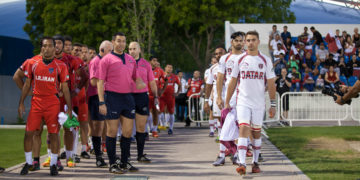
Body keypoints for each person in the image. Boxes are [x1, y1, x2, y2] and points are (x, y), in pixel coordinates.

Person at [18, 37, 72, 176]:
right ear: (41, 48)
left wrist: (70, 108)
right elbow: (27, 84)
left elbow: (65, 88)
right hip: (36, 102)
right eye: (44, 46)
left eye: (49, 46)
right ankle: (29, 162)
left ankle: (54, 164)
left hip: (52, 103)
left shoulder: (61, 66)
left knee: (54, 134)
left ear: (55, 48)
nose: (46, 48)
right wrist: (21, 102)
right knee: (29, 133)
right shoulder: (32, 62)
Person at [225, 31, 276, 175]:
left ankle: (255, 162)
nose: (250, 42)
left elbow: (272, 84)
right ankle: (241, 163)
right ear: (245, 42)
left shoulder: (265, 60)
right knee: (243, 129)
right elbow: (232, 82)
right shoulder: (239, 60)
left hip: (259, 103)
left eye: (253, 40)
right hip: (243, 102)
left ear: (258, 41)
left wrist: (273, 105)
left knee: (256, 132)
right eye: (248, 40)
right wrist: (227, 101)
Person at [97, 32, 144, 174]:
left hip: (128, 98)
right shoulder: (106, 60)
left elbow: (136, 79)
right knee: (111, 132)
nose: (121, 44)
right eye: (118, 41)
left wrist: (144, 85)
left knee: (128, 132)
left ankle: (125, 162)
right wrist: (101, 102)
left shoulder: (130, 59)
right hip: (112, 97)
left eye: (124, 41)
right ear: (113, 42)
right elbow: (100, 82)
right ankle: (112, 164)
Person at [211, 31, 246, 166]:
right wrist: (219, 96)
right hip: (228, 98)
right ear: (231, 42)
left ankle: (236, 155)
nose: (239, 43)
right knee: (223, 126)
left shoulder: (246, 57)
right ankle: (222, 155)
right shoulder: (225, 58)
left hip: (243, 97)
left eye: (241, 40)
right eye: (236, 40)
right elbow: (220, 78)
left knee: (239, 128)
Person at [128, 41, 157, 162]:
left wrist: (155, 96)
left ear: (139, 50)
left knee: (141, 127)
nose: (132, 51)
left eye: (134, 48)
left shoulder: (146, 64)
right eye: (130, 49)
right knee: (127, 127)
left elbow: (152, 82)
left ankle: (140, 155)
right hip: (128, 96)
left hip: (142, 97)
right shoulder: (125, 62)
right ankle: (126, 155)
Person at [88, 40, 113, 168]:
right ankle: (98, 156)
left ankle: (108, 154)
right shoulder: (95, 61)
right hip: (96, 97)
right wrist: (104, 79)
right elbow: (93, 82)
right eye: (110, 51)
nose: (112, 54)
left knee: (107, 126)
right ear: (102, 50)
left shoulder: (107, 61)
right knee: (98, 127)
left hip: (108, 96)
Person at [148, 56, 166, 138]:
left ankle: (154, 130)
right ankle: (147, 130)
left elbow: (166, 80)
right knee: (146, 114)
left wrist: (162, 90)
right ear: (150, 61)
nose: (155, 62)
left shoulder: (159, 71)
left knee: (156, 113)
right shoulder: (146, 69)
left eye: (156, 60)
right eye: (154, 60)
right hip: (146, 95)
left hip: (155, 96)